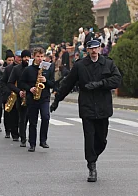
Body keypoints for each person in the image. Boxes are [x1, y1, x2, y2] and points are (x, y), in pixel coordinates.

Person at [50, 40, 122, 182]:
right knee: (89, 137)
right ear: (87, 50)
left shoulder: (108, 64)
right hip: (87, 106)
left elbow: (117, 80)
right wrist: (57, 100)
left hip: (103, 107)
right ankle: (92, 166)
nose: (94, 51)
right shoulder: (80, 66)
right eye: (91, 48)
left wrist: (100, 84)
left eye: (96, 48)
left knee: (101, 140)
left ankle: (93, 156)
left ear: (100, 49)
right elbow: (67, 84)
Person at [20, 48, 55, 152]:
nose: (40, 59)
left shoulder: (48, 69)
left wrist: (46, 81)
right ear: (33, 57)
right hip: (32, 98)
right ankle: (32, 143)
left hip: (44, 97)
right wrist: (30, 89)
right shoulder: (28, 69)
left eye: (41, 56)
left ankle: (43, 140)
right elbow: (21, 82)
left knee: (45, 117)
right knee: (32, 121)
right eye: (38, 56)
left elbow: (53, 83)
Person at [7, 50, 32, 146]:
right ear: (21, 58)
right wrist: (19, 91)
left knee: (31, 119)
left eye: (28, 57)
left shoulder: (33, 68)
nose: (26, 58)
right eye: (25, 57)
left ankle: (31, 138)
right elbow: (10, 83)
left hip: (32, 96)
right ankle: (23, 138)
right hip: (21, 96)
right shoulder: (16, 69)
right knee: (22, 118)